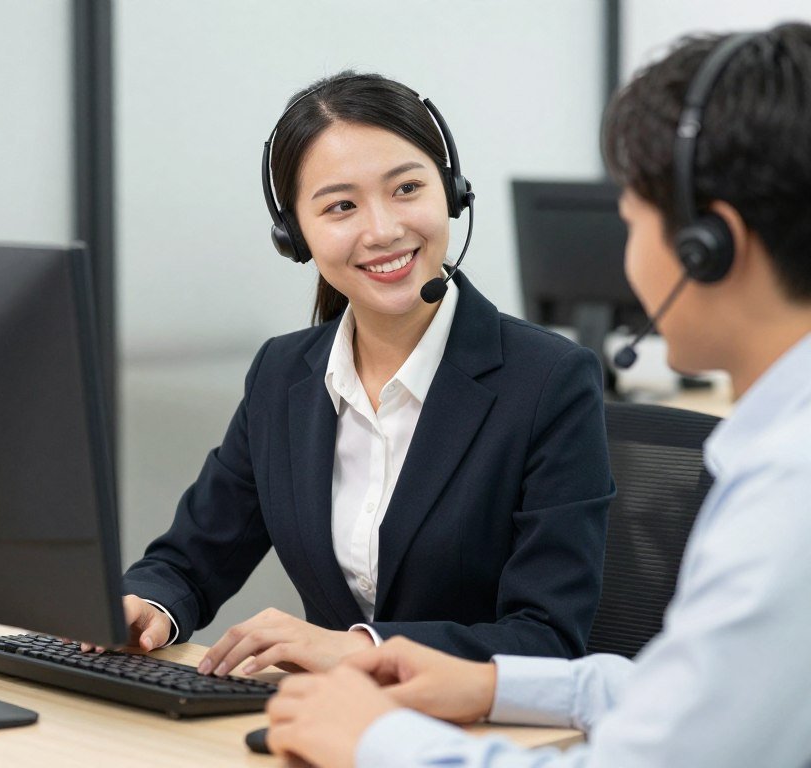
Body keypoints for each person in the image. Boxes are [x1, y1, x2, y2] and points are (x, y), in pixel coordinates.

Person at [264, 23, 811, 768]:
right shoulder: (776, 457)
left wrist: (374, 741)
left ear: (708, 248)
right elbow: (711, 697)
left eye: (631, 222)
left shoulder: (789, 491)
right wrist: (496, 685)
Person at [96, 72, 613, 677]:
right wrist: (148, 604)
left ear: (451, 193)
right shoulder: (282, 375)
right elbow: (189, 560)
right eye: (341, 206)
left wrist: (364, 648)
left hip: (473, 724)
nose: (383, 230)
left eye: (407, 188)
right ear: (294, 235)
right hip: (322, 719)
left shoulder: (549, 381)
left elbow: (548, 638)